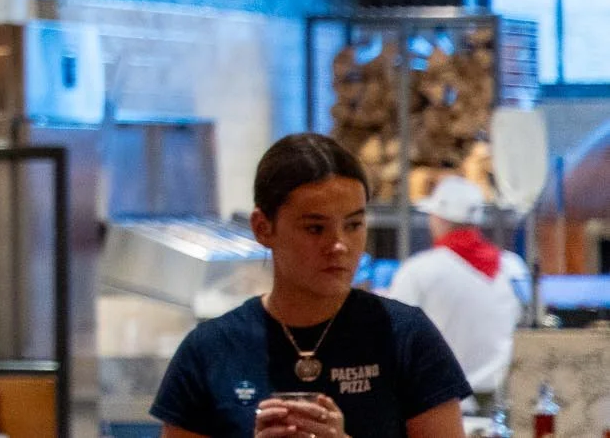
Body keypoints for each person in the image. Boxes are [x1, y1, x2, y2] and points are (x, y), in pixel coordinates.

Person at [153, 134, 470, 438]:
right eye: (315, 228)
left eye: (353, 225)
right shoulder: (210, 350)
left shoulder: (405, 336)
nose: (339, 245)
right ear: (263, 228)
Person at [384, 174, 525, 397]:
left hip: (442, 404)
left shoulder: (418, 271)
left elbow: (393, 339)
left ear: (438, 219)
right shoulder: (514, 267)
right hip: (503, 404)